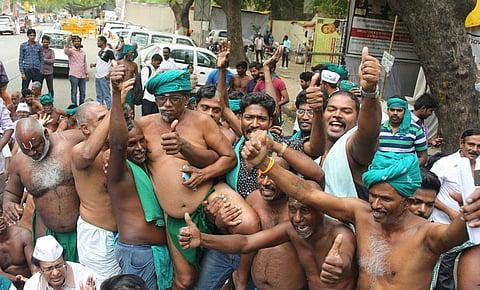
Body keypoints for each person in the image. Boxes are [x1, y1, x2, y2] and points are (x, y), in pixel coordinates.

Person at [241, 136, 480, 290]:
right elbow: (306, 193)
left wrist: (470, 213)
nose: (375, 204)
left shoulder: (427, 236)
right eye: (373, 195)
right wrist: (266, 164)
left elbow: (455, 233)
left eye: (385, 199)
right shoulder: (361, 213)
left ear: (408, 201)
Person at [138, 69, 237, 289]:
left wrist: (204, 173)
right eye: (161, 98)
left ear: (186, 99)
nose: (167, 104)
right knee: (185, 280)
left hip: (209, 200)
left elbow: (229, 158)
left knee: (247, 225)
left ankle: (240, 281)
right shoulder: (144, 125)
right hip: (176, 217)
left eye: (174, 98)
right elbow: (122, 149)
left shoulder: (202, 122)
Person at [179, 194, 357, 290]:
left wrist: (339, 264)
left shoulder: (341, 233)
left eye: (305, 211)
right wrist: (202, 239)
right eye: (292, 210)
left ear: (321, 210)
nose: (297, 218)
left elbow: (345, 257)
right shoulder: (291, 229)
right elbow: (246, 242)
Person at [107, 70, 172, 290]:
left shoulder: (145, 165)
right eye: (132, 144)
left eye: (142, 141)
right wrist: (116, 97)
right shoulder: (119, 172)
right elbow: (117, 144)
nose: (140, 148)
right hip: (138, 254)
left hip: (153, 253)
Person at [3, 118, 84, 262]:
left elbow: (103, 141)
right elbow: (11, 193)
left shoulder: (72, 140)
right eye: (26, 150)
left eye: (36, 146)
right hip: (47, 232)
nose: (33, 153)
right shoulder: (18, 162)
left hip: (83, 230)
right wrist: (8, 203)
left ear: (46, 134)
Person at [306, 47, 381, 201]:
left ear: (357, 118)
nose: (337, 115)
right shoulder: (309, 146)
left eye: (346, 111)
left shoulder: (351, 147)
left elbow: (368, 135)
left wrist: (370, 92)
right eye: (331, 109)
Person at [71, 101, 122, 283]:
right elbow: (87, 154)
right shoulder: (79, 152)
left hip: (125, 237)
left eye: (109, 115)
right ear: (85, 128)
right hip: (97, 238)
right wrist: (117, 105)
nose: (110, 120)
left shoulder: (116, 148)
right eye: (103, 118)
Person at [429, 128, 480, 290]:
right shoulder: (445, 164)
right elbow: (429, 194)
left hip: (474, 230)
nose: (475, 149)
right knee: (444, 271)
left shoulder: (479, 164)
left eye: (479, 146)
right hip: (445, 226)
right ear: (461, 143)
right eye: (471, 144)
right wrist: (450, 212)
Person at [24, 235, 96, 290]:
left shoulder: (84, 276)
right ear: (40, 269)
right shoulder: (32, 285)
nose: (55, 273)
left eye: (59, 266)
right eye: (49, 269)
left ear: (64, 260)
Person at [379, 96, 428, 166]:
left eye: (399, 110)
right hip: (381, 172)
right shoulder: (379, 129)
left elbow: (423, 157)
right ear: (387, 110)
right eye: (392, 110)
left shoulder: (416, 130)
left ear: (405, 111)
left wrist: (410, 170)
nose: (395, 113)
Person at [0, 214, 37, 289]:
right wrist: (17, 279)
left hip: (30, 283)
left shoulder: (23, 235)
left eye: (0, 214)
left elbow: (35, 269)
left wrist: (31, 283)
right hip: (6, 285)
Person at [90, 36, 114, 109]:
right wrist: (95, 65)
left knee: (106, 95)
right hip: (98, 76)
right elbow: (101, 62)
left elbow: (114, 64)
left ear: (103, 42)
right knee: (99, 95)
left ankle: (109, 110)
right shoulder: (100, 52)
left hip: (104, 77)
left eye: (98, 41)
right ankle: (100, 109)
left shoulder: (109, 52)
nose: (97, 43)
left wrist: (109, 74)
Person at [64, 35, 88, 106]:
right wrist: (68, 41)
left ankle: (81, 106)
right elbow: (66, 50)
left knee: (82, 93)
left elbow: (84, 63)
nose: (77, 43)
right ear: (73, 43)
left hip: (82, 76)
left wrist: (86, 73)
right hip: (74, 75)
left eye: (78, 41)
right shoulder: (71, 51)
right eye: (75, 41)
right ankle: (74, 107)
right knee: (74, 92)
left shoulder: (83, 53)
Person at [118, 45, 138, 109]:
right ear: (126, 52)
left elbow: (137, 77)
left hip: (130, 88)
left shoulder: (134, 65)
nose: (132, 54)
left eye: (133, 53)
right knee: (120, 106)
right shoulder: (120, 63)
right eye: (131, 52)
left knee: (130, 107)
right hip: (121, 87)